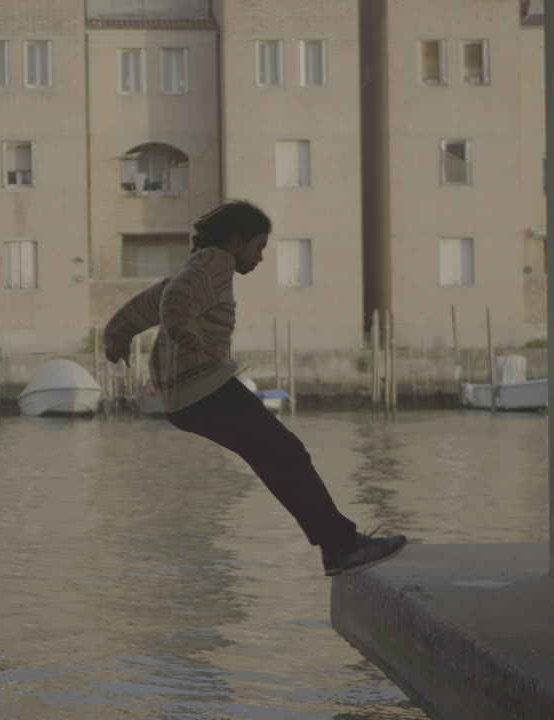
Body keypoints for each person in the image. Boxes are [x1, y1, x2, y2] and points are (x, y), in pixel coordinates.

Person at [103, 200, 407, 577]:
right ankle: (343, 549)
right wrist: (184, 329)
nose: (260, 258)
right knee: (287, 457)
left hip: (183, 399)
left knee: (279, 458)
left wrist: (115, 337)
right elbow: (175, 299)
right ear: (236, 242)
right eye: (258, 247)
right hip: (204, 389)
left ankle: (339, 546)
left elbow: (145, 305)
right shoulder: (216, 264)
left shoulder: (197, 266)